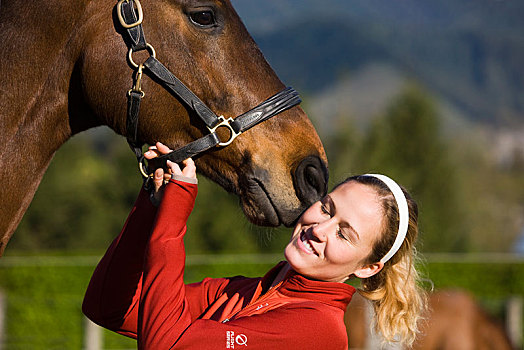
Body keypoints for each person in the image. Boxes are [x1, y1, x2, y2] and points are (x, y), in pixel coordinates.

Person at [83, 142, 426, 349]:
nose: (320, 228)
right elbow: (109, 307)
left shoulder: (318, 329)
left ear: (367, 268)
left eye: (344, 234)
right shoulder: (244, 293)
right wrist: (152, 206)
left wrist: (176, 212)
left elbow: (166, 345)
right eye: (327, 208)